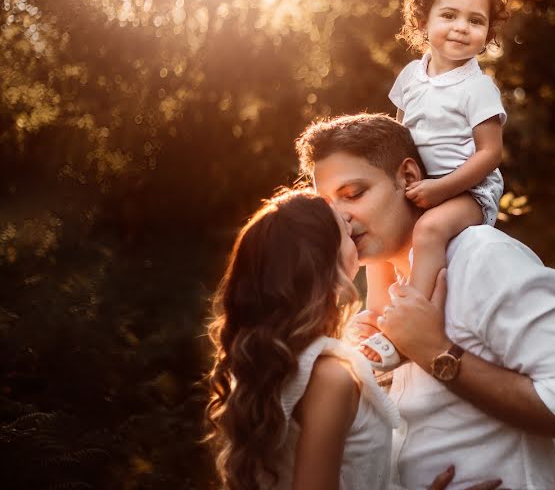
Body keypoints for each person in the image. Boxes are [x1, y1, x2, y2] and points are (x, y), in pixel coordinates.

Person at [295, 114, 555, 490]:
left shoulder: (482, 259)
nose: (340, 219)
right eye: (327, 206)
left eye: (354, 194)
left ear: (407, 178)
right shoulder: (374, 303)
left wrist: (438, 353)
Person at [204, 189, 499, 490]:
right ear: (325, 261)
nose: (352, 226)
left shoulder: (273, 363)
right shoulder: (330, 378)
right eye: (345, 231)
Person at [361, 0, 509, 370]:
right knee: (377, 230)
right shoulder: (411, 75)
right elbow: (398, 137)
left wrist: (443, 190)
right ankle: (375, 316)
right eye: (449, 15)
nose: (462, 27)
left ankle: (407, 328)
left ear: (486, 35)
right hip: (420, 181)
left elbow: (489, 154)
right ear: (423, 23)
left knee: (427, 231)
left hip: (468, 189)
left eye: (475, 20)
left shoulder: (478, 88)